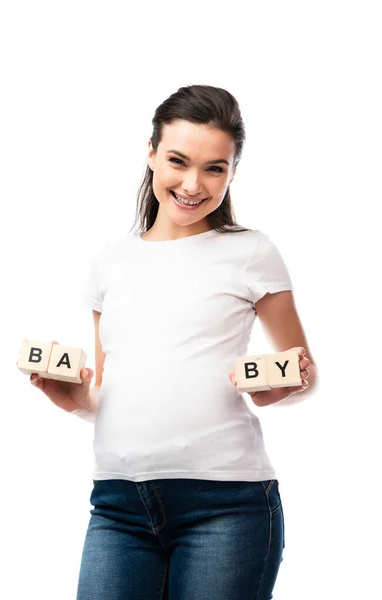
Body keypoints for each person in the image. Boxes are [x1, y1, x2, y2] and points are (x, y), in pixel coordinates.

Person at [24, 84, 318, 599]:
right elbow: (108, 393)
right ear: (152, 153)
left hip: (226, 505)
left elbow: (302, 372)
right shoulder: (109, 263)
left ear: (231, 172)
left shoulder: (252, 253)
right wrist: (74, 402)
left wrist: (284, 389)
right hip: (117, 507)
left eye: (214, 168)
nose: (191, 184)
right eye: (178, 160)